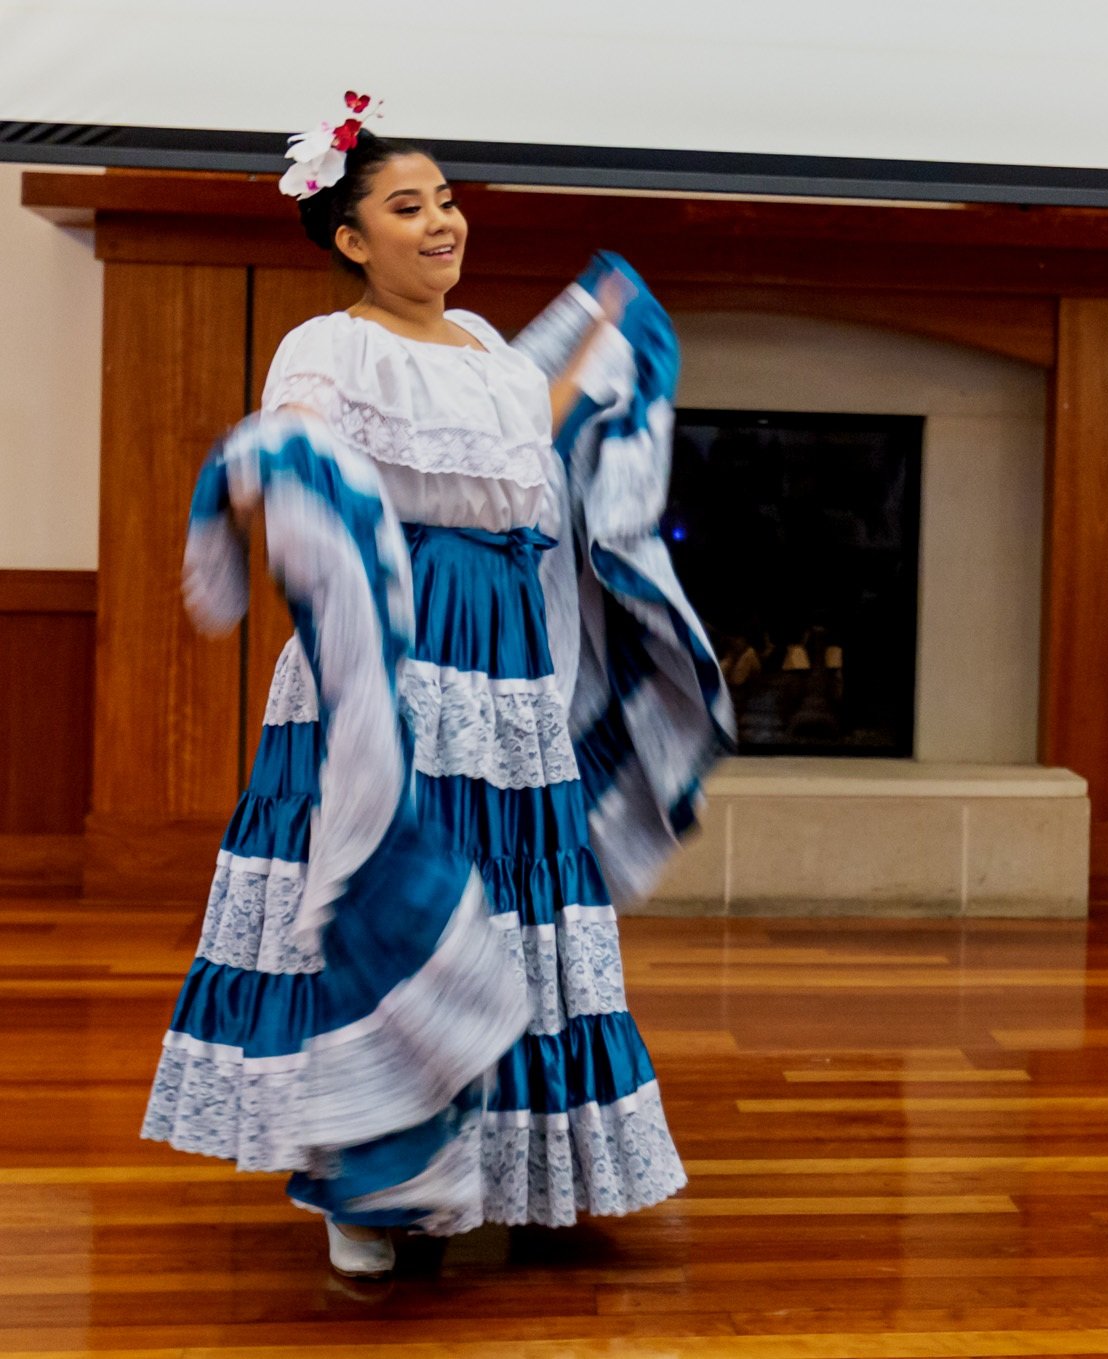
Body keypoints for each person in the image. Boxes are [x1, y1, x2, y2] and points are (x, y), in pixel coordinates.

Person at [143, 96, 734, 1276]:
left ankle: (515, 1166)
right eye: (407, 207)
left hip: (509, 666)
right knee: (398, 878)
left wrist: (603, 347)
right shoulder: (331, 346)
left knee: (511, 897)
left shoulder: (492, 354)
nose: (441, 223)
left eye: (449, 200)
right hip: (399, 656)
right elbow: (306, 448)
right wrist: (283, 456)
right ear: (352, 238)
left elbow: (528, 459)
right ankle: (373, 1177)